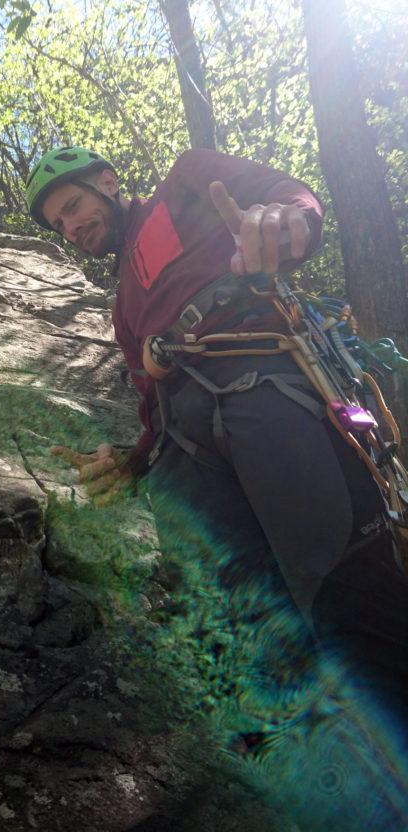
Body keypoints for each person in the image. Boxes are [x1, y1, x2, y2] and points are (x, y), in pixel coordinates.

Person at [25, 146, 408, 752]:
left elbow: (291, 196)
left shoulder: (185, 181)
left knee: (340, 582)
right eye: (59, 224)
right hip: (181, 447)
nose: (71, 227)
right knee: (235, 626)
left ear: (107, 182)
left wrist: (286, 223)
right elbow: (150, 398)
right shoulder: (123, 308)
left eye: (73, 206)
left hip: (257, 378)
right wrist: (130, 458)